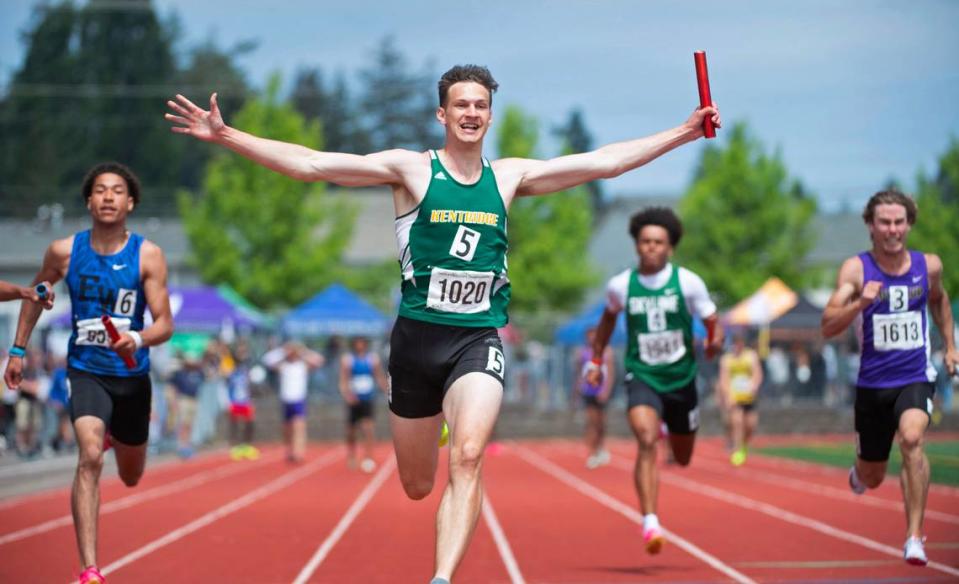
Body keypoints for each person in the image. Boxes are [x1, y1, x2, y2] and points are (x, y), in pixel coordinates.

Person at [167, 64, 720, 583]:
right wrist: (228, 136)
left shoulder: (509, 177)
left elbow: (604, 162)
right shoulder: (411, 169)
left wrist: (683, 132)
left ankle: (441, 577)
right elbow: (312, 163)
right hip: (415, 340)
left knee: (470, 454)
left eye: (481, 104)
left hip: (478, 337)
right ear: (442, 114)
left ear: (490, 114)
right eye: (462, 104)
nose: (472, 113)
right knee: (417, 483)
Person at [3, 162, 173, 584]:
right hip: (85, 371)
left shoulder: (147, 255)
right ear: (89, 201)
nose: (109, 197)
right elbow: (36, 295)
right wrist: (18, 349)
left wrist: (137, 338)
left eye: (118, 191)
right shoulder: (64, 252)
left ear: (130, 202)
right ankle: (90, 570)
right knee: (90, 456)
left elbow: (165, 323)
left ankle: (119, 433)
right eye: (100, 190)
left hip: (132, 375)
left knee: (131, 476)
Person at [821, 189, 957, 567]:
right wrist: (859, 303)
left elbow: (940, 301)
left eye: (899, 222)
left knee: (913, 438)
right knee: (874, 475)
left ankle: (914, 536)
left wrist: (950, 346)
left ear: (909, 224)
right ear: (871, 226)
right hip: (872, 385)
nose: (892, 229)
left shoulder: (928, 266)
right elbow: (827, 325)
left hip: (914, 375)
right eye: (884, 222)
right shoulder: (856, 270)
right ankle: (860, 472)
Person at [586, 207, 722, 556]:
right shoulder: (621, 286)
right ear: (636, 246)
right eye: (645, 241)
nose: (651, 248)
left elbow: (712, 321)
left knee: (683, 455)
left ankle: (669, 427)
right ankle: (650, 521)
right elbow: (605, 325)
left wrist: (713, 340)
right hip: (642, 374)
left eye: (658, 242)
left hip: (681, 378)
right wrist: (596, 360)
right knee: (645, 439)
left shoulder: (688, 283)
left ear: (670, 248)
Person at [262, 341, 324, 463]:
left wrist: (302, 351)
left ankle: (298, 452)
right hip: (286, 400)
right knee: (287, 429)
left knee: (299, 427)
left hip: (299, 400)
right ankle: (290, 450)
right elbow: (266, 360)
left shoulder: (302, 366)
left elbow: (319, 360)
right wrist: (283, 350)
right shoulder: (283, 366)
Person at [339, 336, 389, 472]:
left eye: (361, 343)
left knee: (368, 429)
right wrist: (347, 395)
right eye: (357, 343)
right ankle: (352, 456)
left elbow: (379, 376)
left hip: (368, 398)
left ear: (365, 345)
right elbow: (343, 380)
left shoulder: (372, 359)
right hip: (354, 399)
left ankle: (368, 457)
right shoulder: (348, 360)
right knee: (351, 431)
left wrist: (387, 390)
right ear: (354, 345)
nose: (359, 346)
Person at [717, 333, 763, 466]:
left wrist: (754, 386)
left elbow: (757, 373)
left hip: (749, 397)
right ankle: (737, 451)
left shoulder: (751, 356)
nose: (738, 346)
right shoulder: (727, 359)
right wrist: (727, 395)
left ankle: (743, 445)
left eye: (740, 343)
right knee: (737, 422)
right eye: (736, 343)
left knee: (751, 425)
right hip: (734, 396)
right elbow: (723, 379)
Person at [573, 327, 615, 468]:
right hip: (588, 391)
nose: (591, 338)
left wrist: (606, 391)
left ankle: (600, 447)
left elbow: (610, 373)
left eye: (594, 336)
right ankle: (592, 452)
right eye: (589, 336)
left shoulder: (607, 351)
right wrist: (578, 388)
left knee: (601, 423)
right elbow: (580, 373)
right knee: (591, 422)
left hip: (601, 391)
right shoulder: (582, 352)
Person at [227, 341, 259, 461]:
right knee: (235, 424)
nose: (242, 354)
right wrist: (228, 401)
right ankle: (235, 447)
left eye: (244, 351)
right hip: (234, 400)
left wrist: (252, 399)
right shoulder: (230, 367)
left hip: (246, 401)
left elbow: (251, 386)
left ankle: (246, 446)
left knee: (249, 423)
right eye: (240, 351)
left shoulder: (248, 368)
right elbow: (227, 385)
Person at [170, 353, 204, 459]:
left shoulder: (198, 372)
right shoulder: (180, 373)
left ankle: (187, 446)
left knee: (190, 424)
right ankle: (181, 447)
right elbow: (172, 387)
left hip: (194, 400)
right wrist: (174, 401)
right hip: (183, 399)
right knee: (183, 424)